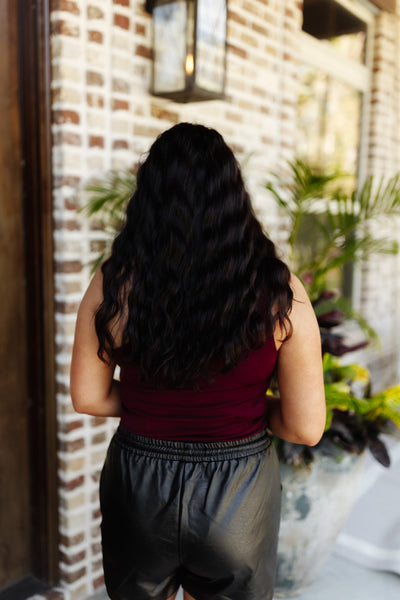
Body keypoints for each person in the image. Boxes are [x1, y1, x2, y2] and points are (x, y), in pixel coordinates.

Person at [70, 123, 325, 600]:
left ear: (148, 199)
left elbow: (88, 398)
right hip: (239, 490)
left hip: (138, 485)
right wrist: (242, 407)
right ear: (233, 197)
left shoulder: (114, 284)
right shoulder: (280, 294)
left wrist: (157, 405)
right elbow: (305, 428)